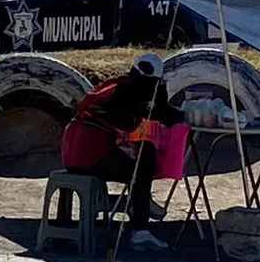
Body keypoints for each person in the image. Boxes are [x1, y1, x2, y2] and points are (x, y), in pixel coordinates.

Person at [60, 53, 182, 251]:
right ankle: (140, 228)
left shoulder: (114, 86)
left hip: (72, 154)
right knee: (143, 164)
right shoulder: (127, 91)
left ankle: (140, 204)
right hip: (89, 157)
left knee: (141, 154)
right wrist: (175, 111)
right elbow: (144, 117)